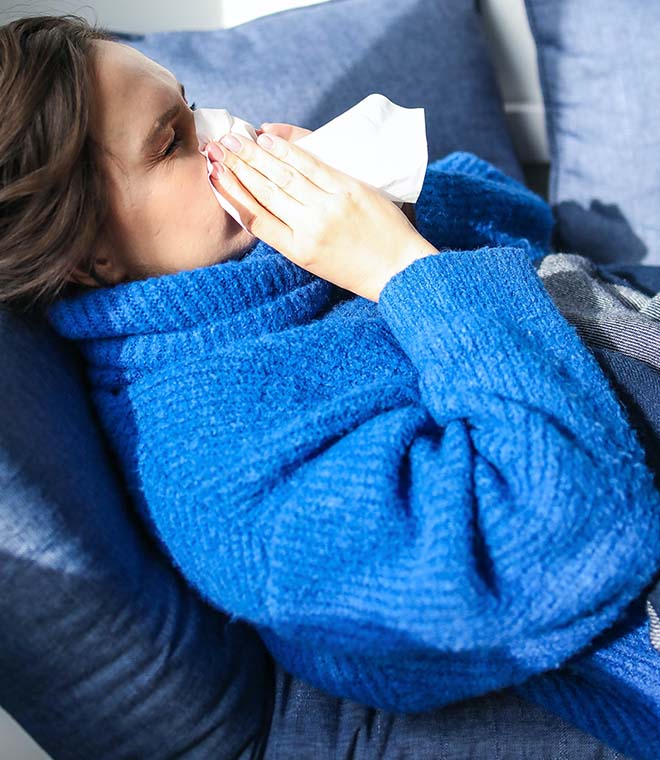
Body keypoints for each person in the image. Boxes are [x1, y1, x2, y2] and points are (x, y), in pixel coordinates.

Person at [3, 15, 660, 759]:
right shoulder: (214, 464)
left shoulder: (270, 259)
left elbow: (528, 227)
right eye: (174, 141)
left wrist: (387, 208)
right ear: (89, 254)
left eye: (192, 103)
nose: (228, 129)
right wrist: (400, 272)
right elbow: (566, 532)